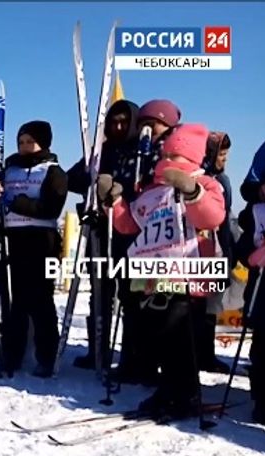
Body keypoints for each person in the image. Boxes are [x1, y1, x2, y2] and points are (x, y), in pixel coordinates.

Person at [108, 123, 225, 418]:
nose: (169, 161)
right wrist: (115, 202)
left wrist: (193, 192)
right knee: (158, 334)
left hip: (187, 274)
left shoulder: (206, 183)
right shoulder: (151, 191)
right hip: (153, 275)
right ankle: (169, 388)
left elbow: (212, 217)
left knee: (180, 335)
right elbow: (129, 225)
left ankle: (185, 393)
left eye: (177, 156)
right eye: (167, 155)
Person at [65, 100, 142, 374]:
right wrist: (93, 180)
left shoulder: (140, 152)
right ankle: (97, 350)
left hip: (131, 234)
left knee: (131, 297)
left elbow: (147, 188)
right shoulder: (101, 150)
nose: (118, 127)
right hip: (100, 231)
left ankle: (132, 357)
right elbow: (72, 179)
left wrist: (121, 191)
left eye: (124, 122)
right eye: (114, 122)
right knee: (99, 294)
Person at [0, 121, 68, 377]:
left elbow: (50, 208)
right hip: (13, 239)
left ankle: (46, 355)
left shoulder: (53, 171)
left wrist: (15, 202)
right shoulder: (9, 169)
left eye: (30, 142)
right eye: (21, 142)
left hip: (41, 241)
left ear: (43, 143)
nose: (25, 147)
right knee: (16, 302)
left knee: (40, 301)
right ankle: (12, 353)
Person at [234, 159, 265, 424]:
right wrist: (252, 254)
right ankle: (264, 401)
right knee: (264, 347)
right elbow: (242, 246)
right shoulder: (258, 210)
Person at [199, 131, 236, 373]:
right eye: (221, 154)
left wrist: (229, 257)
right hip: (196, 250)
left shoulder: (223, 181)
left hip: (217, 251)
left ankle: (206, 355)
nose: (224, 159)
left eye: (226, 154)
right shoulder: (196, 177)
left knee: (211, 307)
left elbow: (227, 221)